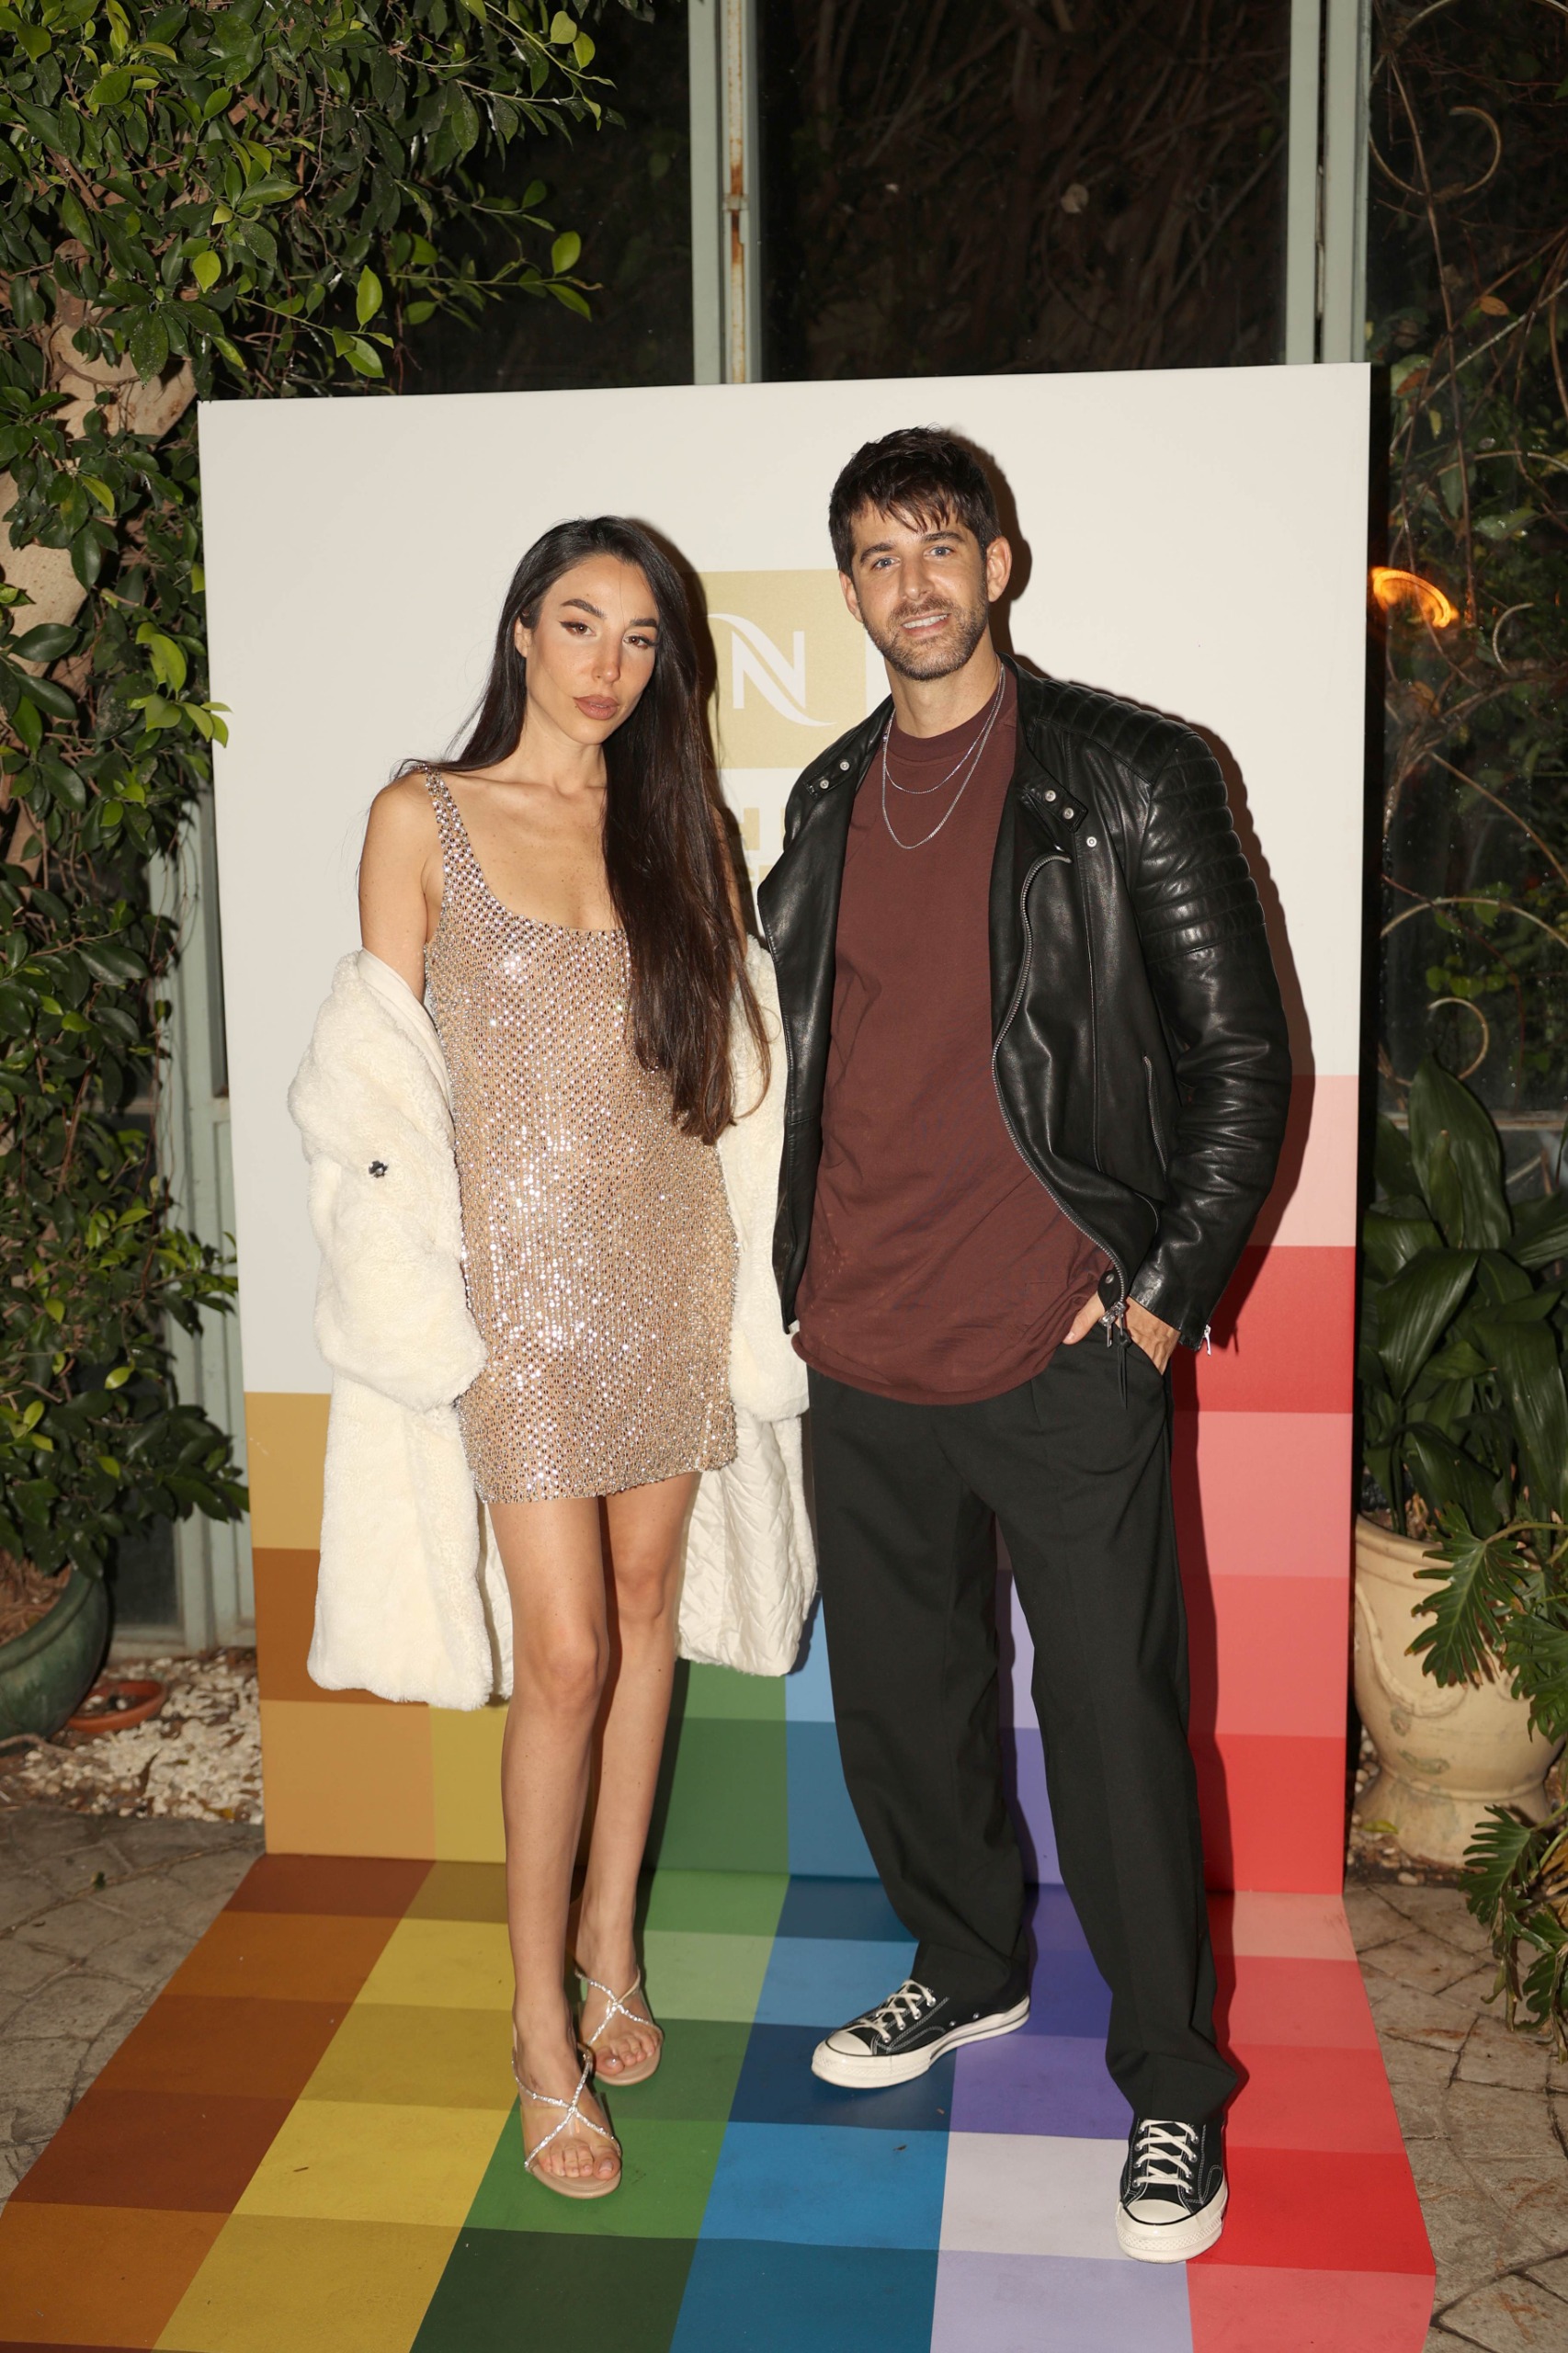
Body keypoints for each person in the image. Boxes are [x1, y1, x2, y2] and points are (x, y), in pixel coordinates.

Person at [756, 428, 1291, 2262]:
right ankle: (967, 1960)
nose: (910, 583)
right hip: (861, 1339)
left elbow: (1243, 1062)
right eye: (875, 554)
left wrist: (1152, 1306)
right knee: (904, 1710)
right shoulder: (828, 795)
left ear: (999, 560)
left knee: (1115, 1731)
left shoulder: (1127, 773)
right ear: (846, 586)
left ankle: (1172, 2088)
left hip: (1061, 1346)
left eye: (940, 544)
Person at [357, 517, 768, 2200]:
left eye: (641, 638)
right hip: (515, 1299)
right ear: (522, 631)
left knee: (649, 1605)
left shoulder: (683, 828)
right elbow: (380, 1099)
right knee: (570, 1651)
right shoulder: (421, 816)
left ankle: (610, 1944)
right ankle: (537, 2026)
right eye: (580, 624)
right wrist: (410, 1301)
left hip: (667, 1263)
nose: (609, 666)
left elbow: (725, 1075)